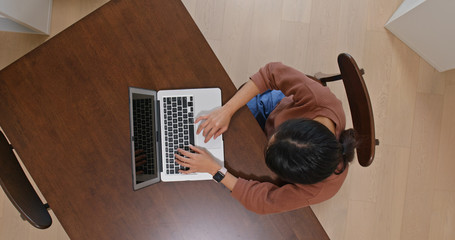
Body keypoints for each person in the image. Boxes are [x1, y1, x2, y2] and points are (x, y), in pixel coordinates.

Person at [174, 62, 357, 214]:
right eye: (277, 135)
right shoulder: (321, 100)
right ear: (301, 123)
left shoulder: (322, 190)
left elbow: (264, 202)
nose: (268, 139)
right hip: (272, 107)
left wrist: (215, 170)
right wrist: (227, 110)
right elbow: (271, 72)